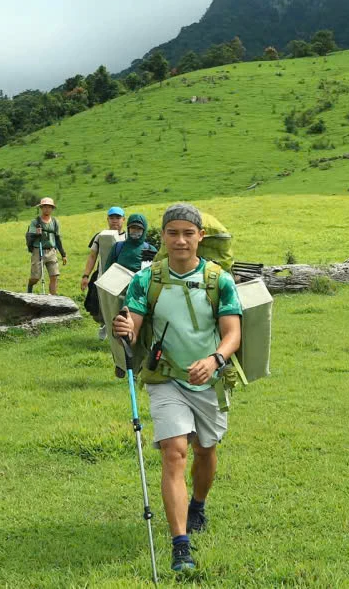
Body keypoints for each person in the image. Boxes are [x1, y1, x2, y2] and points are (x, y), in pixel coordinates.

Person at [112, 203, 241, 572]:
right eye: (173, 233)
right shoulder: (146, 279)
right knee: (173, 452)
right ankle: (180, 545)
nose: (180, 240)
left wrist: (214, 360)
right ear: (163, 238)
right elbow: (134, 320)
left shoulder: (220, 281)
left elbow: (232, 333)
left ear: (200, 236)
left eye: (188, 233)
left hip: (209, 379)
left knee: (205, 450)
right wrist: (127, 329)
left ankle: (197, 504)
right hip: (165, 377)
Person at [79, 207, 126, 339]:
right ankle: (103, 324)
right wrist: (86, 275)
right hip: (101, 276)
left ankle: (116, 331)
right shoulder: (100, 236)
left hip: (121, 277)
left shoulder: (127, 237)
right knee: (98, 306)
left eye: (118, 218)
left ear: (123, 219)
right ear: (107, 219)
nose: (115, 221)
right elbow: (93, 256)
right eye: (112, 218)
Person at [25, 197, 67, 294]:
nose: (47, 209)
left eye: (49, 207)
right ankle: (30, 285)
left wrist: (63, 254)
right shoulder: (35, 222)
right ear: (41, 208)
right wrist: (36, 233)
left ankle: (53, 298)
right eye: (44, 207)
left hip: (51, 251)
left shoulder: (55, 222)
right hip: (38, 250)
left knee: (54, 276)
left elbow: (57, 238)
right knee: (35, 277)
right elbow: (30, 235)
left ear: (52, 209)